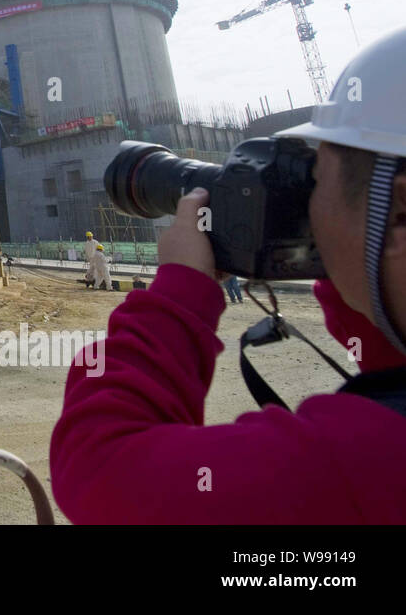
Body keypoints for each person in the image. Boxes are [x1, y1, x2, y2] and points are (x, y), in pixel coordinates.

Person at [51, 27, 406, 523]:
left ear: (400, 214)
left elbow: (100, 466)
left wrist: (177, 295)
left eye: (317, 181)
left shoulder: (360, 461)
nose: (307, 205)